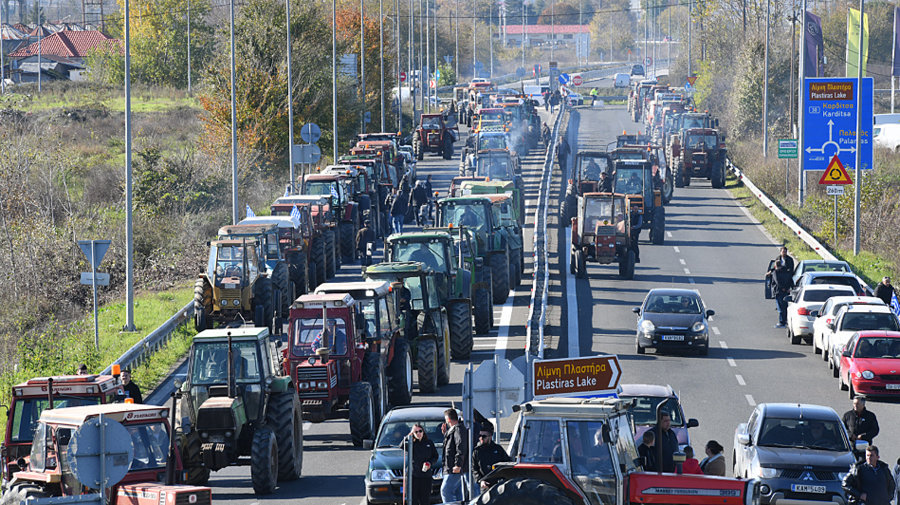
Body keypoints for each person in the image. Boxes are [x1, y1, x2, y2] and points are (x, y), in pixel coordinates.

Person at [401, 423, 439, 505]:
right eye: (416, 432)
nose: (418, 433)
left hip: (426, 476)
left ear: (423, 432)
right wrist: (410, 434)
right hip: (414, 476)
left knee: (425, 500)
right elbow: (401, 446)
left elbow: (435, 456)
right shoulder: (411, 443)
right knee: (413, 500)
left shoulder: (429, 443)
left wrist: (429, 463)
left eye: (420, 431)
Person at [441, 408, 468, 503]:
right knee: (457, 493)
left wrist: (458, 464)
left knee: (445, 491)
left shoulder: (458, 429)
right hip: (450, 467)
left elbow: (460, 447)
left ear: (448, 419)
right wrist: (446, 434)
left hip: (453, 468)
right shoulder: (453, 430)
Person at [472, 424, 509, 491]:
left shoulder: (498, 449)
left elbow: (507, 463)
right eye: (480, 436)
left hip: (498, 483)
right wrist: (480, 481)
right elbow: (474, 469)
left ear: (490, 436)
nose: (481, 438)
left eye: (484, 436)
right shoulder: (477, 451)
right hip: (485, 483)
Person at [770, 246, 795, 328]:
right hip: (784, 289)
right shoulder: (778, 259)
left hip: (780, 291)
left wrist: (786, 288)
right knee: (784, 307)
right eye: (782, 251)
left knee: (781, 307)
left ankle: (782, 322)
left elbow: (778, 281)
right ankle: (785, 321)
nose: (783, 253)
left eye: (785, 251)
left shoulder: (789, 261)